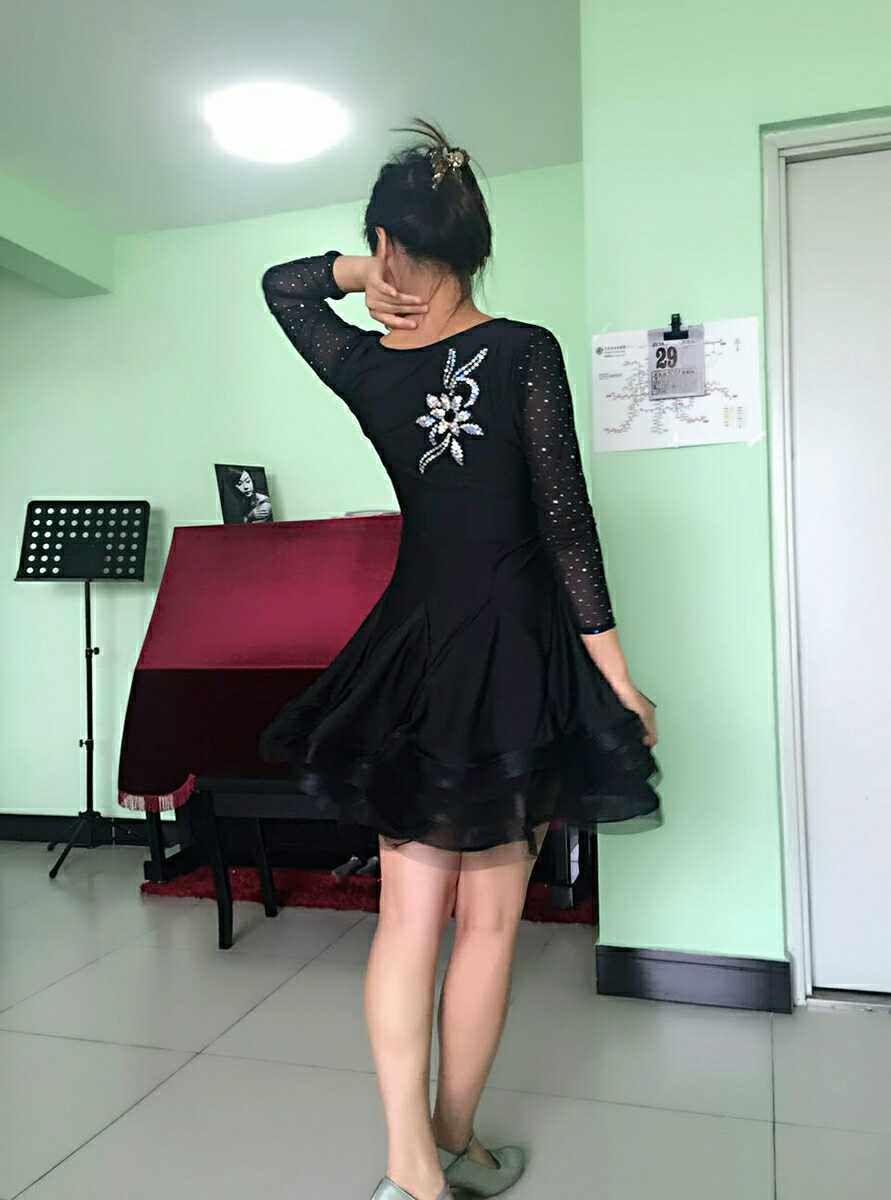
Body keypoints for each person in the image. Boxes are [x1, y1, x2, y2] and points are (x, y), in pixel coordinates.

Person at [257, 117, 661, 1200]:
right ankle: (444, 1143)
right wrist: (615, 678)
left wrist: (360, 272)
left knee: (407, 919)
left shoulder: (361, 364)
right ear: (476, 246)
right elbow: (566, 528)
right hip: (520, 654)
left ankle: (418, 1165)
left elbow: (282, 287)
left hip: (419, 650)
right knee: (488, 923)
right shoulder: (526, 349)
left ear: (389, 242)